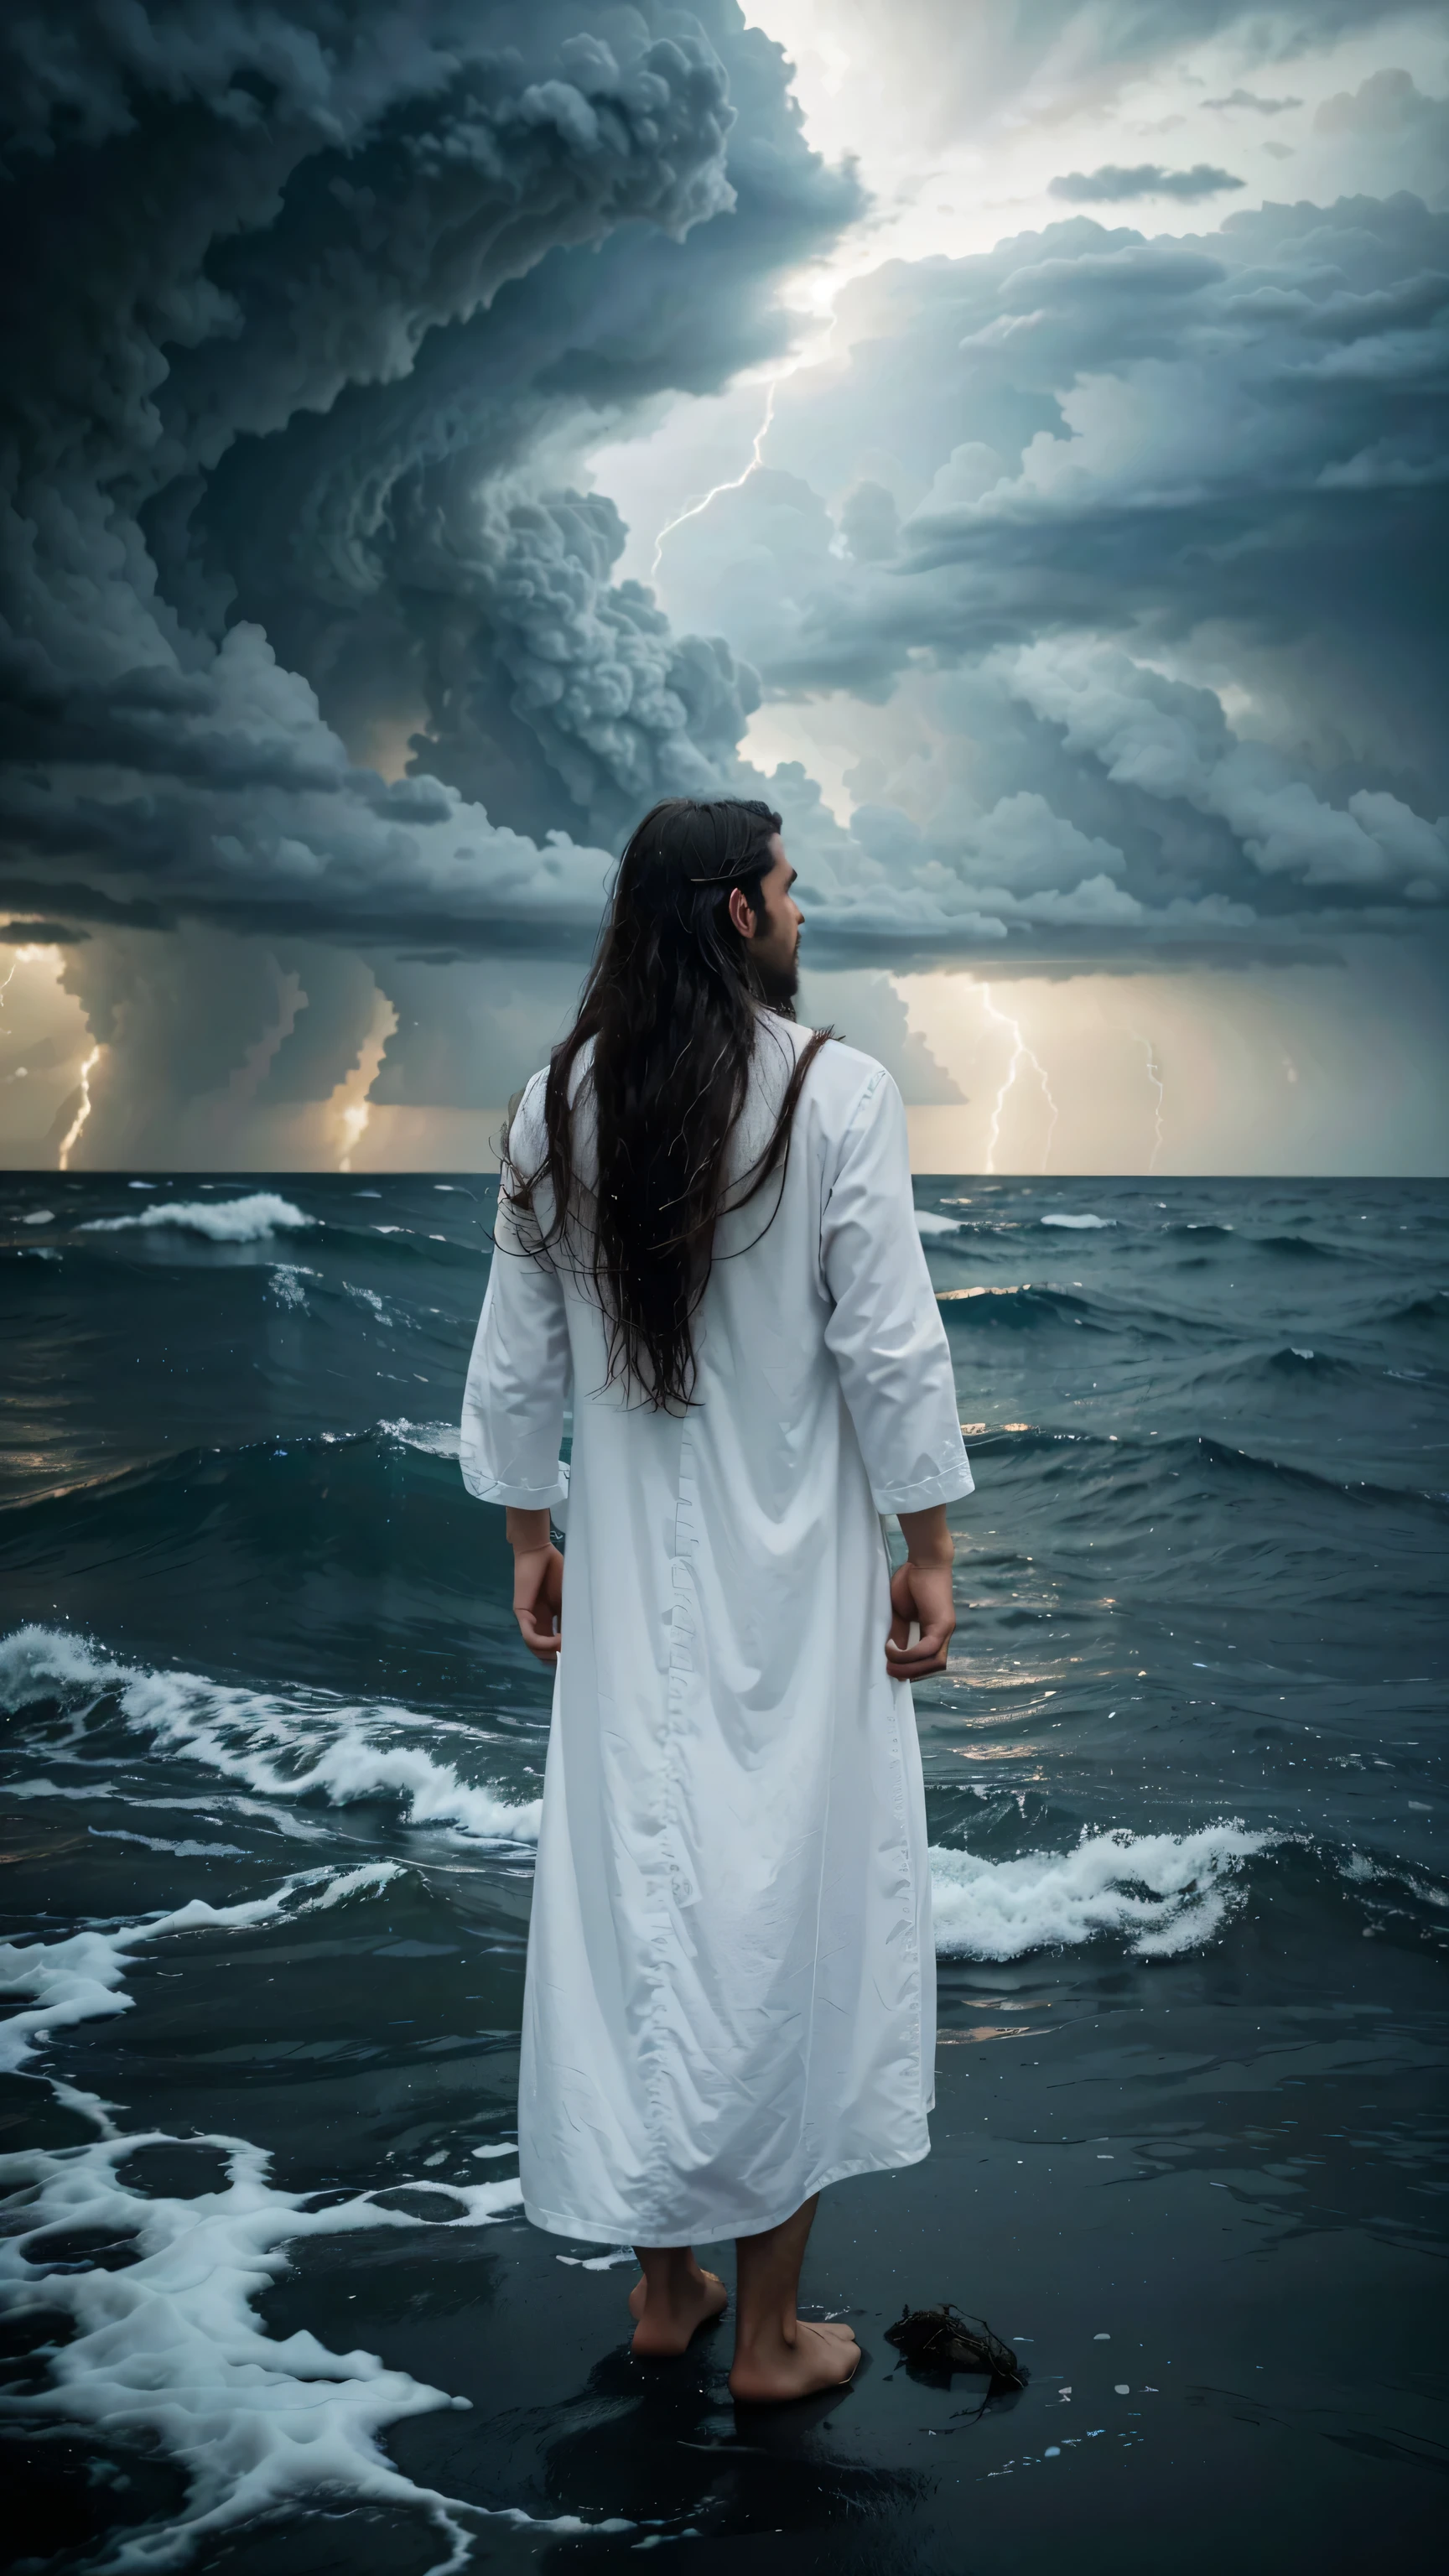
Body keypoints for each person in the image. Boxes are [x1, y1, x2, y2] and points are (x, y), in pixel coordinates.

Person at [460, 795, 973, 2402]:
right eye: (791, 890)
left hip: (629, 1613)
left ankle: (666, 2291)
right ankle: (767, 2337)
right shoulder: (837, 1093)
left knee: (646, 1911)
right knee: (787, 1916)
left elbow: (513, 1359)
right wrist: (934, 1548)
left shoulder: (557, 1103)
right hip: (792, 1603)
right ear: (738, 915)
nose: (805, 914)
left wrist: (530, 1540)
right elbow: (892, 1348)